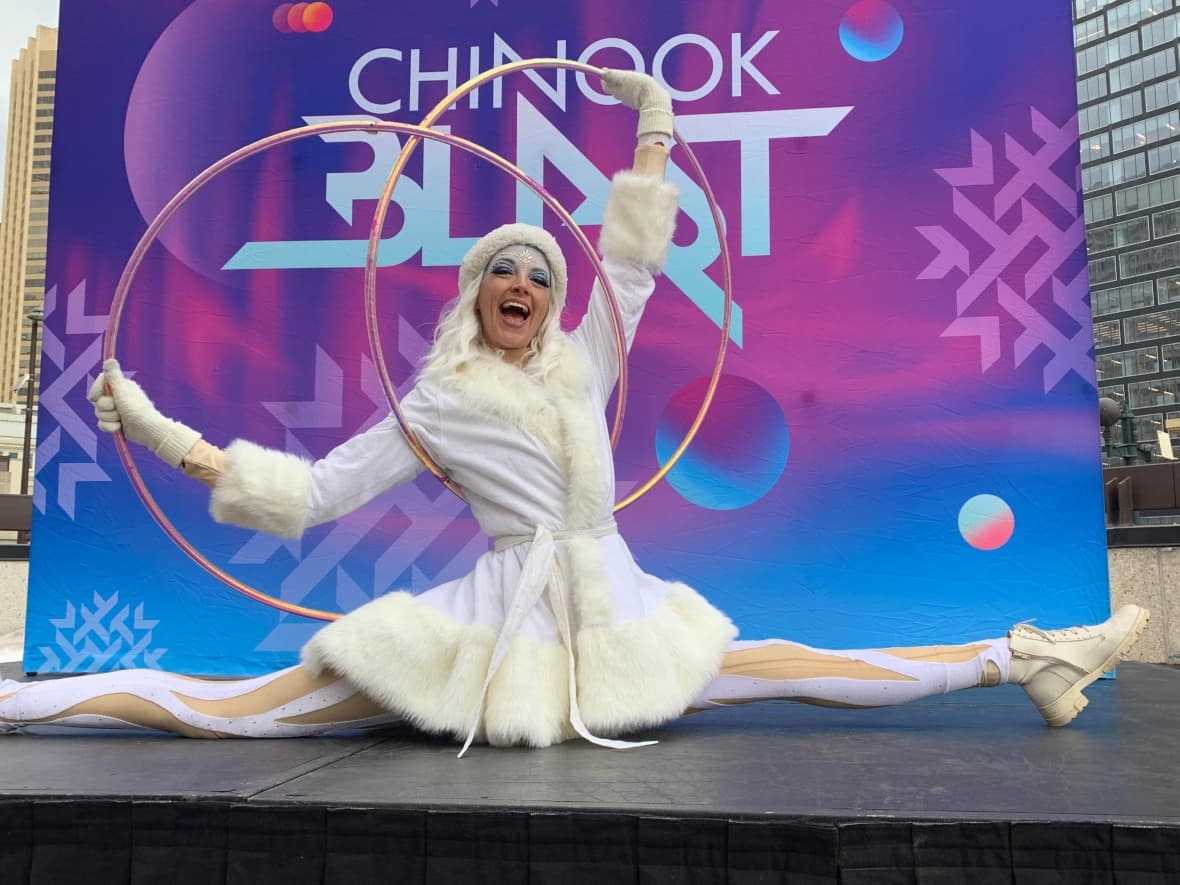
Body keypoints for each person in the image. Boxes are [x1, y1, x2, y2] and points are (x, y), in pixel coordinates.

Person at [0, 71, 1150, 748]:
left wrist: (653, 121)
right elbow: (307, 496)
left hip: (614, 597)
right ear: (476, 289)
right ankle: (21, 711)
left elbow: (634, 264)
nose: (528, 286)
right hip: (493, 621)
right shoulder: (439, 400)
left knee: (786, 660)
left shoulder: (585, 359)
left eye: (544, 275)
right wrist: (149, 427)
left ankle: (1029, 655)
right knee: (244, 710)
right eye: (507, 269)